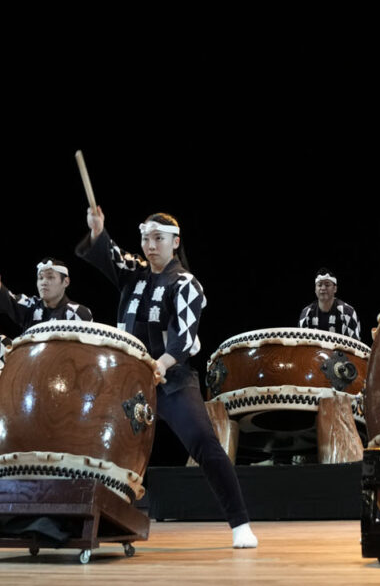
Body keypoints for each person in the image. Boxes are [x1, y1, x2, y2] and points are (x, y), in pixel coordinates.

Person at [78, 205, 257, 549]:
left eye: (158, 238)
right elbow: (111, 256)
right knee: (100, 446)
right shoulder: (134, 274)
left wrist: (159, 364)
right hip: (129, 382)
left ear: (175, 243)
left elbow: (186, 338)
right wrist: (99, 231)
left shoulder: (186, 283)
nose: (149, 245)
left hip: (171, 378)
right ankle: (93, 522)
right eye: (145, 238)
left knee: (203, 442)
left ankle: (240, 523)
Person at [0, 257, 93, 329]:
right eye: (40, 278)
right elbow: (8, 300)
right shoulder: (31, 307)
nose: (43, 282)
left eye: (50, 277)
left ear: (65, 282)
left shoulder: (78, 313)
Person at [298, 272, 362, 338]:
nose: (323, 288)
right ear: (315, 289)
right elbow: (302, 343)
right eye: (319, 285)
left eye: (327, 285)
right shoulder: (306, 313)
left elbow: (354, 344)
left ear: (335, 289)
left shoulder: (348, 313)